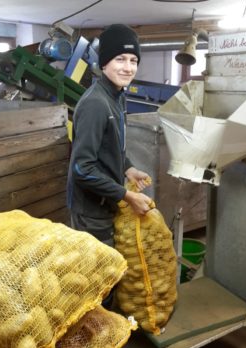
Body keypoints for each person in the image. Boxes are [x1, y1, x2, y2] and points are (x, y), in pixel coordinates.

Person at [67, 24, 152, 246]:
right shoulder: (95, 104)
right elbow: (82, 168)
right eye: (120, 59)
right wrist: (128, 196)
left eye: (133, 61)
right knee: (98, 275)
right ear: (104, 63)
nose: (128, 68)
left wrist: (128, 168)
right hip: (91, 211)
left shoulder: (118, 96)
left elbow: (112, 145)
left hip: (106, 202)